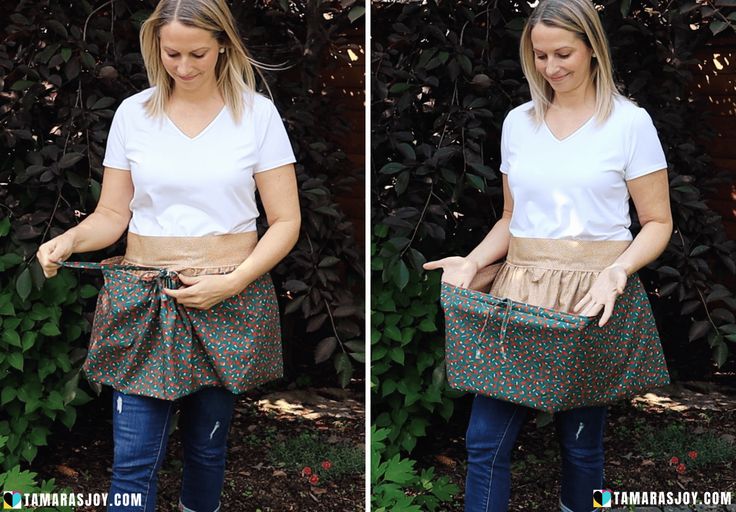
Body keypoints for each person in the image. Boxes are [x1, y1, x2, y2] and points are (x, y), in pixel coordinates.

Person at [36, 1, 300, 511]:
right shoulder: (134, 114)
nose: (184, 66)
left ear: (223, 43)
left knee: (207, 448)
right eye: (172, 52)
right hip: (143, 298)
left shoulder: (256, 115)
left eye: (198, 53)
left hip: (228, 297)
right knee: (132, 456)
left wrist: (235, 281)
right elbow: (112, 215)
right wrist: (68, 240)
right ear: (155, 45)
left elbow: (285, 221)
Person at [423, 0, 672, 511]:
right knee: (484, 441)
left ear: (593, 50)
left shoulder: (630, 123)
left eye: (564, 54)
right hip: (520, 296)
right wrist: (472, 262)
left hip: (592, 297)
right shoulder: (520, 122)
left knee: (583, 446)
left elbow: (658, 223)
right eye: (539, 56)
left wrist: (618, 271)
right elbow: (512, 217)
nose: (551, 68)